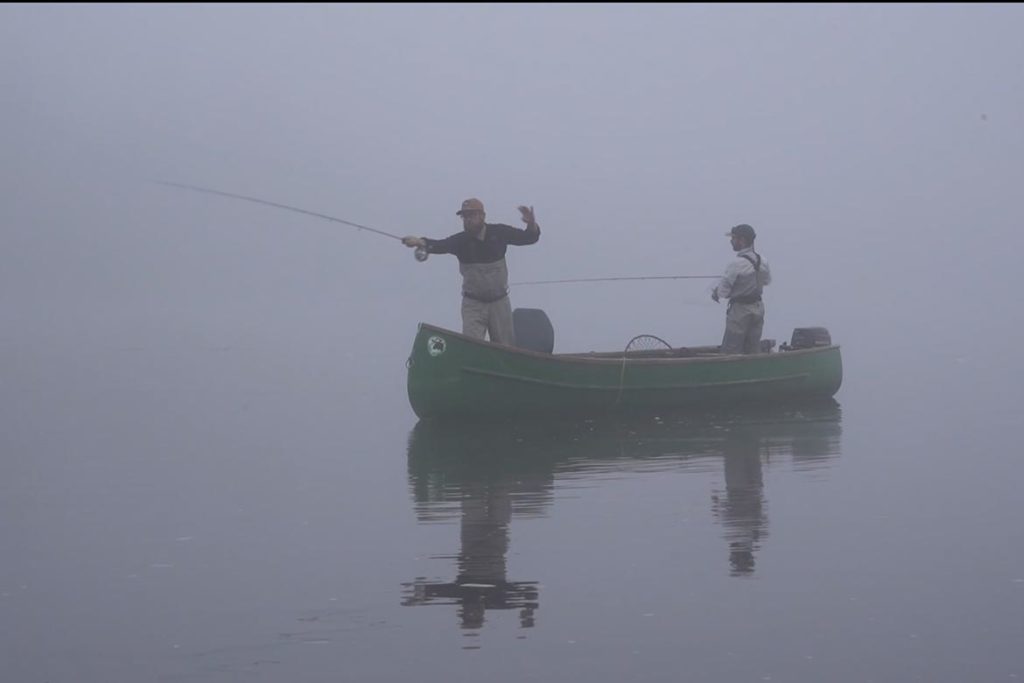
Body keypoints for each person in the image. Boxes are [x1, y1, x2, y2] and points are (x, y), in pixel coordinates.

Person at [402, 198, 540, 345]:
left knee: (506, 347)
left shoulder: (499, 233)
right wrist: (420, 242)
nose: (467, 220)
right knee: (471, 346)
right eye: (464, 217)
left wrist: (531, 224)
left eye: (471, 215)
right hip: (473, 304)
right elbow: (441, 245)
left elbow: (529, 238)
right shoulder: (460, 241)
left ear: (482, 216)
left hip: (500, 303)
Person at [711, 224, 771, 354]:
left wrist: (715, 293)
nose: (731, 241)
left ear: (742, 240)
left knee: (731, 350)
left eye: (733, 238)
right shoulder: (763, 261)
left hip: (740, 311)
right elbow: (766, 281)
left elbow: (723, 292)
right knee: (753, 348)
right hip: (758, 308)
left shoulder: (735, 264)